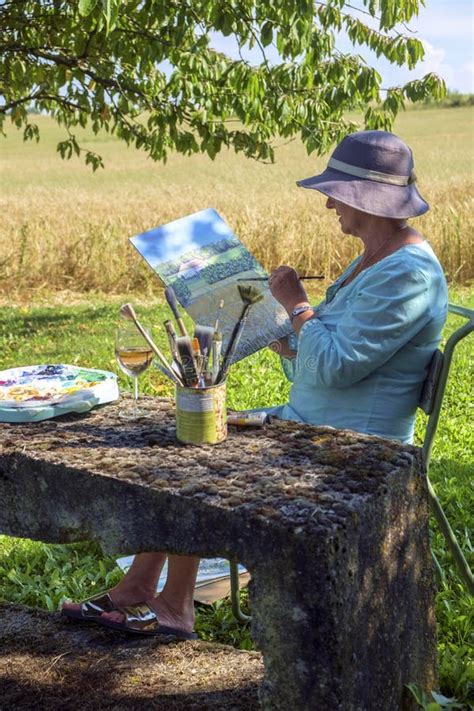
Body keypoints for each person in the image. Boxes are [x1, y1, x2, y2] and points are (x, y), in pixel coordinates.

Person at [62, 130, 448, 637]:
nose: (329, 203)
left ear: (365, 198)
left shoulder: (409, 273)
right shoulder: (371, 259)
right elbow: (318, 356)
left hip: (352, 442)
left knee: (202, 453)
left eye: (336, 192)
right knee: (193, 435)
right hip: (313, 421)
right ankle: (139, 587)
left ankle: (175, 607)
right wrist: (272, 329)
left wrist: (295, 303)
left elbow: (334, 365)